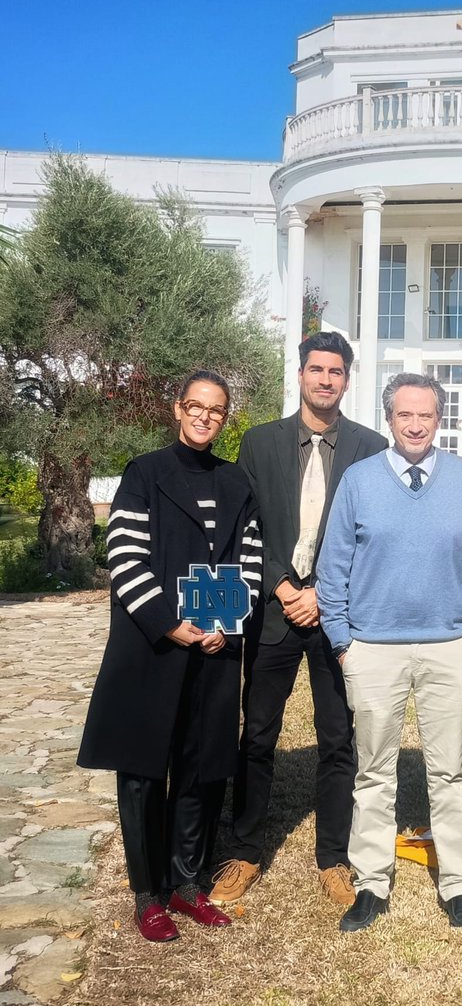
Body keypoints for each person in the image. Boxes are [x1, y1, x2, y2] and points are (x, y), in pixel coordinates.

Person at [78, 370, 262, 942]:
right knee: (142, 771)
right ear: (178, 409)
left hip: (215, 650)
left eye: (217, 410)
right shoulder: (145, 473)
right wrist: (172, 626)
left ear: (225, 418)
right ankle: (147, 894)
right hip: (151, 647)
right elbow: (125, 558)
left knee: (201, 768)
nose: (206, 416)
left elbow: (251, 559)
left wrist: (231, 618)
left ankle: (185, 886)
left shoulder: (237, 483)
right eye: (196, 406)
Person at [210, 332, 387, 907]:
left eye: (336, 371)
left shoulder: (371, 446)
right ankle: (244, 851)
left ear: (347, 379)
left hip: (339, 615)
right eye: (317, 369)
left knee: (338, 739)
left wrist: (323, 595)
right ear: (301, 374)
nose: (326, 380)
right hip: (272, 611)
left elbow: (372, 536)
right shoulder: (259, 444)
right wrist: (285, 586)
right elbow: (245, 526)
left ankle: (334, 857)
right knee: (258, 733)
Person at [316, 372, 462, 933]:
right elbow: (332, 567)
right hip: (372, 650)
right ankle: (371, 884)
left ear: (440, 419)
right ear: (388, 418)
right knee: (374, 772)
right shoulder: (359, 480)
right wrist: (345, 644)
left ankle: (458, 886)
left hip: (448, 648)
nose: (416, 425)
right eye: (404, 415)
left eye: (426, 415)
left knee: (449, 774)